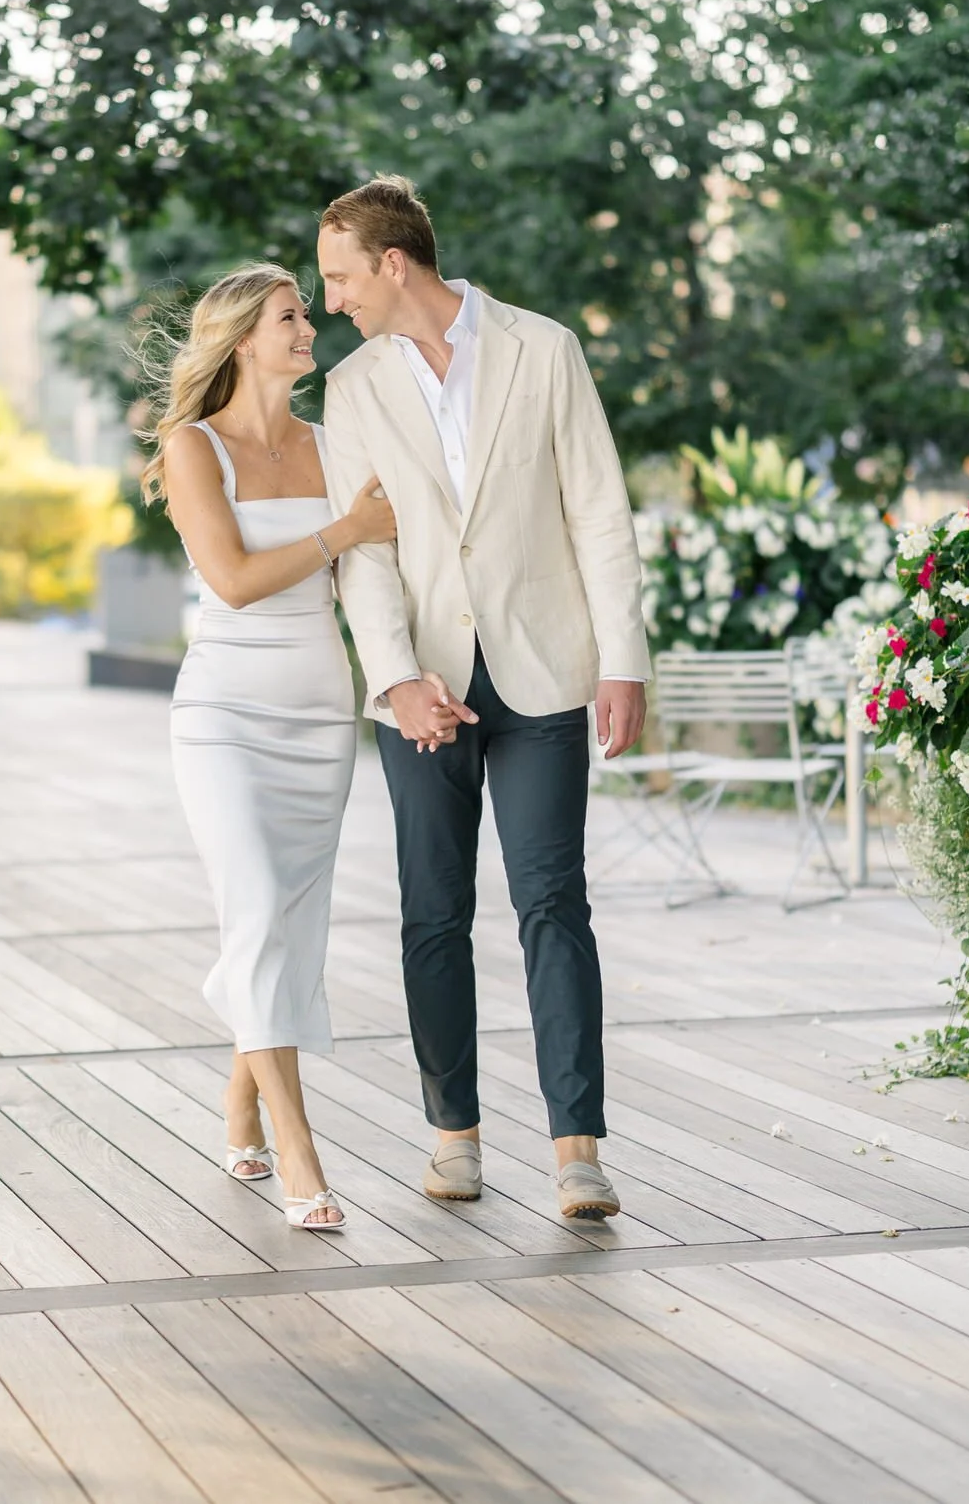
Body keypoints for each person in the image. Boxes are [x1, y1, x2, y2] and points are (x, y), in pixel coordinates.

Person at [315, 175, 649, 1221]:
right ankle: (451, 1133)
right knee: (432, 913)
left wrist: (622, 656)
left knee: (554, 903)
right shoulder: (354, 388)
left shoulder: (542, 348)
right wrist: (394, 676)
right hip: (424, 686)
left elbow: (598, 507)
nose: (332, 302)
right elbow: (364, 551)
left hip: (543, 666)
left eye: (339, 277)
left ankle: (577, 1149)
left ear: (393, 264)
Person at [146, 262, 397, 1232]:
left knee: (287, 922)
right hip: (223, 712)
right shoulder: (190, 445)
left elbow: (381, 570)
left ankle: (242, 1092)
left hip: (316, 710)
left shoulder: (336, 445)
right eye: (292, 315)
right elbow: (236, 578)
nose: (309, 326)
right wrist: (344, 530)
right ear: (243, 336)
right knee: (254, 903)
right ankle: (300, 1148)